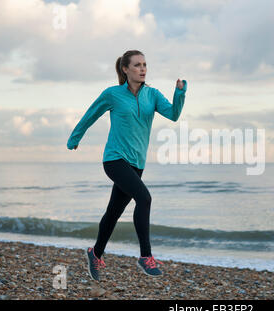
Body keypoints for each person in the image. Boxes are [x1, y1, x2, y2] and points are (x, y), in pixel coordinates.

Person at [67, 50, 187, 280]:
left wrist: (179, 93)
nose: (143, 69)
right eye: (137, 65)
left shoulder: (152, 95)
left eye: (144, 65)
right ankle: (146, 256)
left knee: (114, 211)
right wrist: (75, 138)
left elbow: (173, 114)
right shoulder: (113, 94)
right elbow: (91, 114)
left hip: (137, 163)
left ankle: (96, 253)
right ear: (125, 69)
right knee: (144, 198)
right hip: (114, 159)